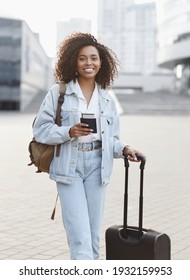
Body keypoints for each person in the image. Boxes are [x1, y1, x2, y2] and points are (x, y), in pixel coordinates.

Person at [33, 32, 145, 260]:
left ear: (102, 62)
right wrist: (68, 132)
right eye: (82, 58)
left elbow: (111, 138)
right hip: (69, 167)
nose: (88, 63)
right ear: (74, 60)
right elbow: (41, 129)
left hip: (97, 166)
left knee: (93, 238)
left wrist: (124, 148)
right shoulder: (59, 92)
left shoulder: (106, 98)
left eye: (93, 58)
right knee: (80, 239)